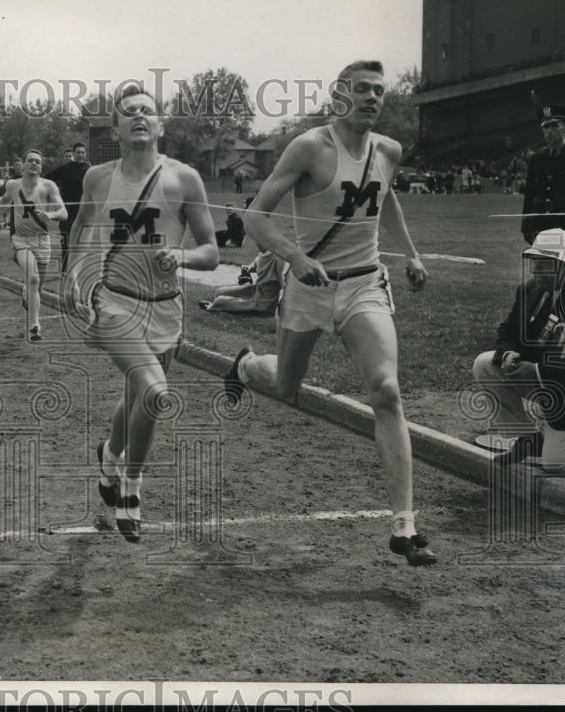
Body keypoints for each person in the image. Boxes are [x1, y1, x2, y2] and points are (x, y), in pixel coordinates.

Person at [223, 60, 436, 567]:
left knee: (386, 391)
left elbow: (386, 201)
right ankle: (247, 364)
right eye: (361, 89)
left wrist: (410, 253)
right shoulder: (310, 148)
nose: (371, 98)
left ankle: (404, 526)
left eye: (378, 91)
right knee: (285, 385)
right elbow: (255, 217)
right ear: (339, 96)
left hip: (365, 283)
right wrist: (297, 258)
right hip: (308, 286)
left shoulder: (389, 150)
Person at [65, 85, 218, 543]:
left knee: (136, 396)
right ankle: (131, 486)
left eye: (146, 112)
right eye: (128, 112)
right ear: (115, 128)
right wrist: (72, 271)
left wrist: (182, 256)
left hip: (166, 309)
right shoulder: (98, 177)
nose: (138, 117)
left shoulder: (185, 178)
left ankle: (109, 459)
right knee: (154, 392)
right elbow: (81, 224)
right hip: (114, 302)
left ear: (160, 124)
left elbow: (211, 251)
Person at [472, 228, 565, 472]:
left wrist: (536, 370)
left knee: (557, 464)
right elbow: (507, 331)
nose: (535, 271)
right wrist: (508, 354)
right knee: (485, 364)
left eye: (544, 265)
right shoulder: (529, 290)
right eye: (534, 262)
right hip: (551, 384)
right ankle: (529, 439)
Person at [0, 149, 67, 342]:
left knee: (37, 287)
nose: (34, 164)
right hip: (21, 240)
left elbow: (64, 211)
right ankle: (35, 326)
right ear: (24, 164)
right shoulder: (12, 185)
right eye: (31, 160)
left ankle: (25, 292)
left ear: (41, 166)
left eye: (38, 161)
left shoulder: (48, 186)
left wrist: (52, 215)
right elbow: (3, 202)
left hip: (42, 241)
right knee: (34, 278)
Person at [521, 105, 565, 246]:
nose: (549, 131)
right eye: (545, 127)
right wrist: (526, 221)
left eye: (554, 126)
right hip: (541, 220)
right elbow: (530, 193)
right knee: (543, 263)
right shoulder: (537, 157)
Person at [47, 142, 90, 272]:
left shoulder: (90, 169)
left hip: (83, 212)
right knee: (67, 241)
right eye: (78, 152)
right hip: (67, 212)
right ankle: (65, 270)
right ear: (74, 154)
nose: (81, 155)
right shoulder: (65, 168)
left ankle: (80, 269)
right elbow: (48, 179)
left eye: (83, 152)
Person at [199, 248, 281, 315]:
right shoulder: (264, 253)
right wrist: (250, 267)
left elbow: (286, 282)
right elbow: (257, 261)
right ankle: (245, 286)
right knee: (219, 292)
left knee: (220, 300)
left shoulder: (279, 257)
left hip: (265, 302)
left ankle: (212, 306)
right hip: (256, 290)